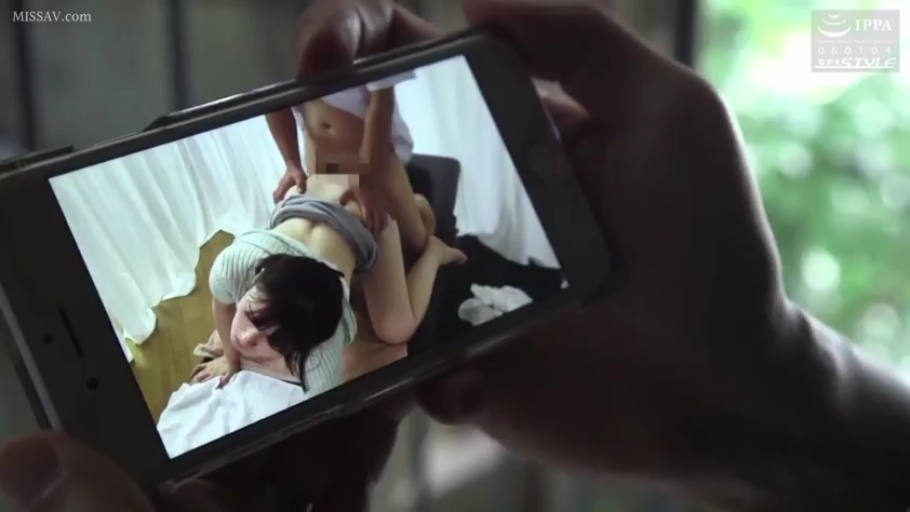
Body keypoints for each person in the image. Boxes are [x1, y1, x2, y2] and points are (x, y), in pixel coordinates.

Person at [3, 0, 910, 511]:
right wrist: (234, 336)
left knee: (395, 306)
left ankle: (422, 240)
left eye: (258, 335)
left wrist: (381, 201)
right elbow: (237, 279)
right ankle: (415, 233)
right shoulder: (261, 255)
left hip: (358, 232)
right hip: (329, 216)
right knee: (379, 274)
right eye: (252, 326)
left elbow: (351, 305)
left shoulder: (353, 244)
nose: (244, 333)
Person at [205, 172, 465, 390]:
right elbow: (222, 303)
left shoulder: (329, 340)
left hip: (368, 216)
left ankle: (434, 253)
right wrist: (230, 359)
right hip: (314, 189)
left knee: (395, 330)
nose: (244, 338)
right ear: (258, 276)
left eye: (275, 341)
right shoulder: (232, 263)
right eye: (250, 314)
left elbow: (324, 399)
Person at [266, 73, 431, 257]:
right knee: (346, 241)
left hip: (373, 160)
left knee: (416, 246)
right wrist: (291, 163)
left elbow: (381, 103)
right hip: (321, 157)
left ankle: (425, 220)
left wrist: (367, 182)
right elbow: (271, 95)